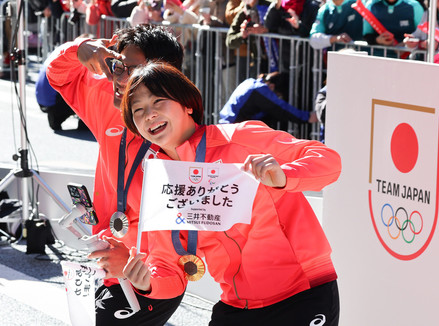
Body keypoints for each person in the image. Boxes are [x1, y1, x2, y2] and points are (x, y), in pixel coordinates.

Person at [121, 62, 342, 326]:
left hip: (302, 294)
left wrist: (285, 174)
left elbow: (328, 160)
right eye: (138, 110)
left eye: (158, 101)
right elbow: (169, 267)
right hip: (237, 305)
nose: (149, 114)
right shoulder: (161, 181)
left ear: (187, 104)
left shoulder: (239, 137)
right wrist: (148, 283)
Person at [46, 25, 185, 325]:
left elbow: (177, 261)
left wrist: (137, 267)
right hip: (107, 264)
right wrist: (82, 48)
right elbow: (56, 74)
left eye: (130, 69)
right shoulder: (107, 100)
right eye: (116, 65)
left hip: (148, 277)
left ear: (163, 76)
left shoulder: (183, 144)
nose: (117, 78)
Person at [219, 71, 317, 129]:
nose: (276, 98)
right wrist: (307, 117)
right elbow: (281, 108)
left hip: (227, 125)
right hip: (233, 129)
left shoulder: (250, 82)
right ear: (272, 86)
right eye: (277, 95)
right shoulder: (260, 90)